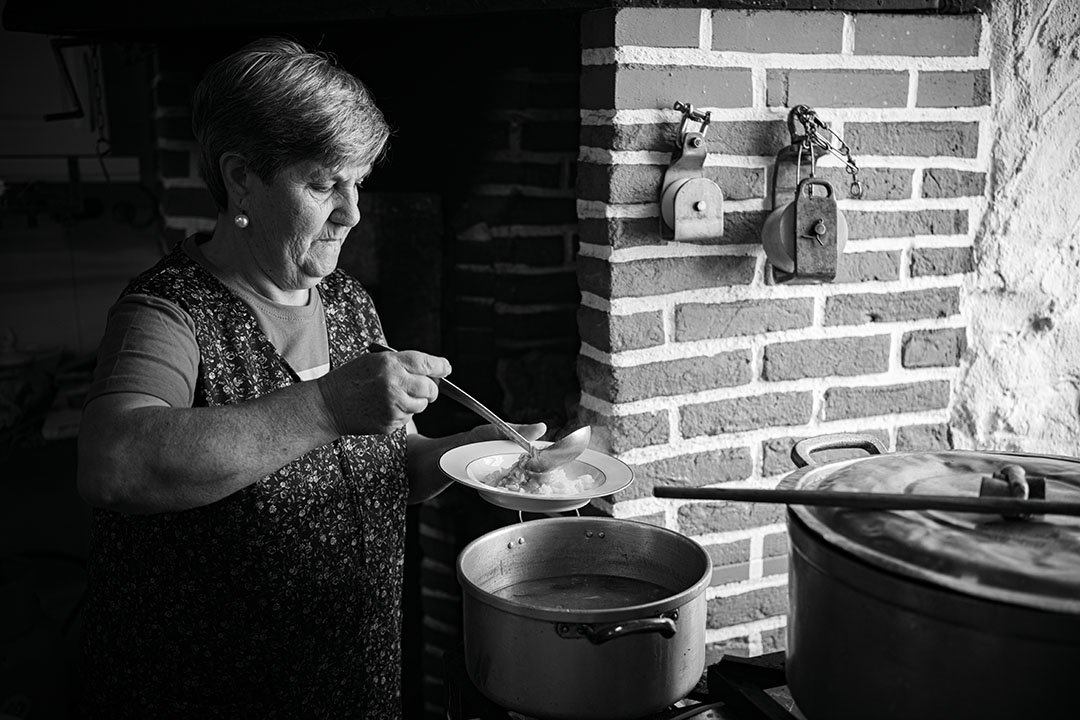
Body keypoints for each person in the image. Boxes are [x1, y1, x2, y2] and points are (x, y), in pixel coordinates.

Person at [75, 37, 544, 719]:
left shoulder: (348, 299)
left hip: (355, 684)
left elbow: (390, 469)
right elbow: (112, 464)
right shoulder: (168, 311)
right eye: (324, 183)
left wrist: (472, 454)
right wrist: (325, 407)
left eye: (358, 182)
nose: (353, 212)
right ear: (242, 179)